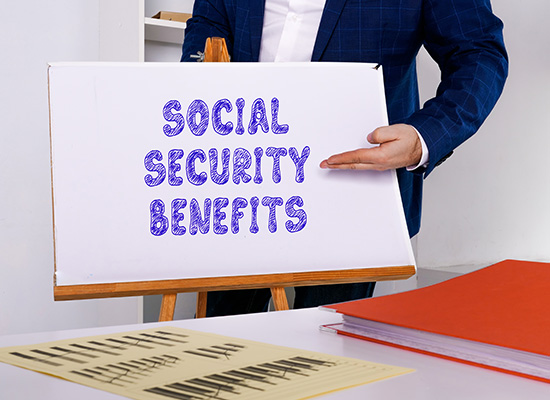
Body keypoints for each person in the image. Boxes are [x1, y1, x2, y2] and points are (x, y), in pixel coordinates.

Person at [181, 0, 508, 317]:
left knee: (323, 353)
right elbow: (208, 27)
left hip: (351, 189)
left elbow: (477, 53)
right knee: (222, 344)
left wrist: (424, 136)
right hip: (234, 185)